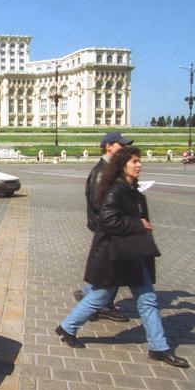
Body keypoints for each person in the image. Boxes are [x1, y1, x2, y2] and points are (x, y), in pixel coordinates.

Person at [56, 146, 189, 368]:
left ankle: (159, 347)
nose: (139, 165)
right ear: (122, 165)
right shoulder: (116, 190)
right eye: (134, 161)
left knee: (147, 301)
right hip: (116, 255)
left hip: (131, 254)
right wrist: (139, 224)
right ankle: (68, 327)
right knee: (100, 297)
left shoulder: (133, 190)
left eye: (139, 161)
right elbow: (107, 220)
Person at [75, 132, 133, 322]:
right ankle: (98, 305)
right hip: (108, 227)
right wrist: (116, 223)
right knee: (111, 269)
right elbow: (98, 203)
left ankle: (91, 296)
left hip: (111, 225)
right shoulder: (102, 171)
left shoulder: (113, 170)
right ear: (109, 146)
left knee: (110, 268)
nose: (124, 149)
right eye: (121, 145)